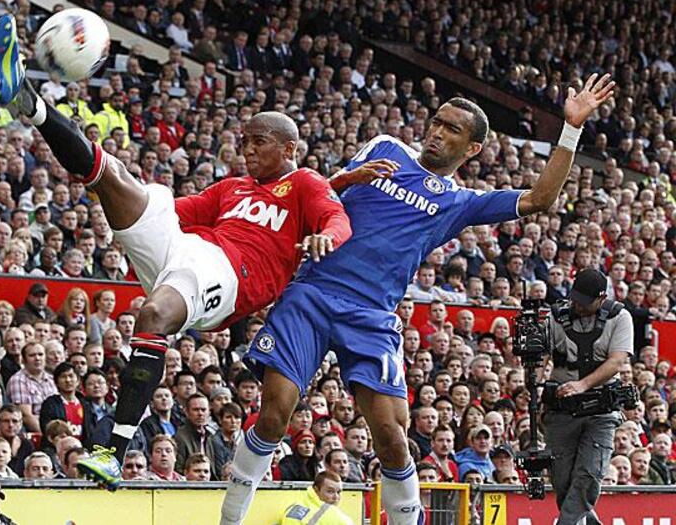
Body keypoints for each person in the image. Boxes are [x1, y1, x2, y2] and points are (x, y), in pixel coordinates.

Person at [0, 14, 377, 487]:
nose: (247, 150)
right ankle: (28, 101)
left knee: (153, 316)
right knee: (118, 178)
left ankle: (111, 449)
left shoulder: (305, 184)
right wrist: (117, 199)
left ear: (290, 147)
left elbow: (336, 219)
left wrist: (326, 238)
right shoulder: (233, 187)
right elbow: (175, 212)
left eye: (259, 142)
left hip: (232, 276)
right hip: (188, 248)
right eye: (243, 142)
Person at [222, 75, 615, 525]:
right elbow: (314, 195)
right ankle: (230, 520)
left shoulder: (460, 201)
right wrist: (349, 177)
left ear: (472, 149)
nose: (436, 132)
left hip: (371, 315)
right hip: (313, 292)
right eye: (436, 122)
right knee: (273, 416)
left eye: (451, 129)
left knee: (392, 437)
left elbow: (541, 198)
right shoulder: (385, 147)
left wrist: (570, 129)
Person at [545, 267, 635, 523]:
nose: (578, 306)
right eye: (575, 299)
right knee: (562, 479)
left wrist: (583, 384)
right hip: (562, 407)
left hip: (601, 408)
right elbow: (542, 356)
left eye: (584, 302)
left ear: (601, 298)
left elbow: (617, 362)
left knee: (589, 474)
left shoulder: (620, 317)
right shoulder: (557, 316)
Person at [277, 470, 353, 525]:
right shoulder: (336, 517)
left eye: (339, 492)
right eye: (330, 491)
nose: (336, 497)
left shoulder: (293, 508)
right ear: (316, 490)